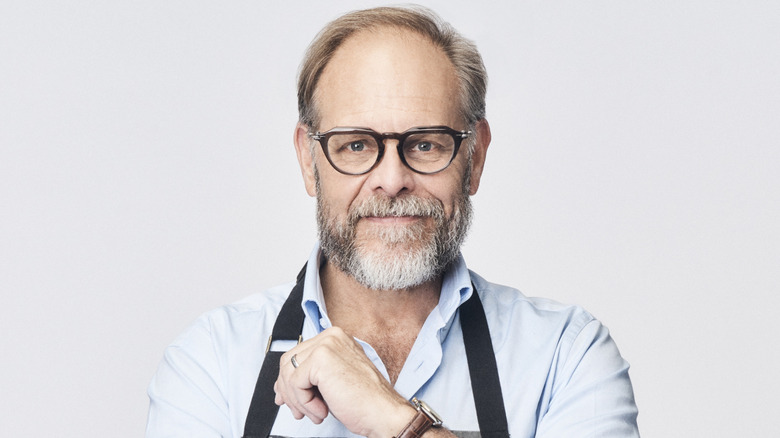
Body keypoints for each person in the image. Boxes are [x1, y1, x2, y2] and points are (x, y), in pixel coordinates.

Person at [146, 6, 639, 438]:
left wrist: (393, 419)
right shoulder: (211, 365)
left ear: (476, 156)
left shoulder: (564, 357)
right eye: (356, 145)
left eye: (426, 143)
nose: (391, 179)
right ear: (306, 161)